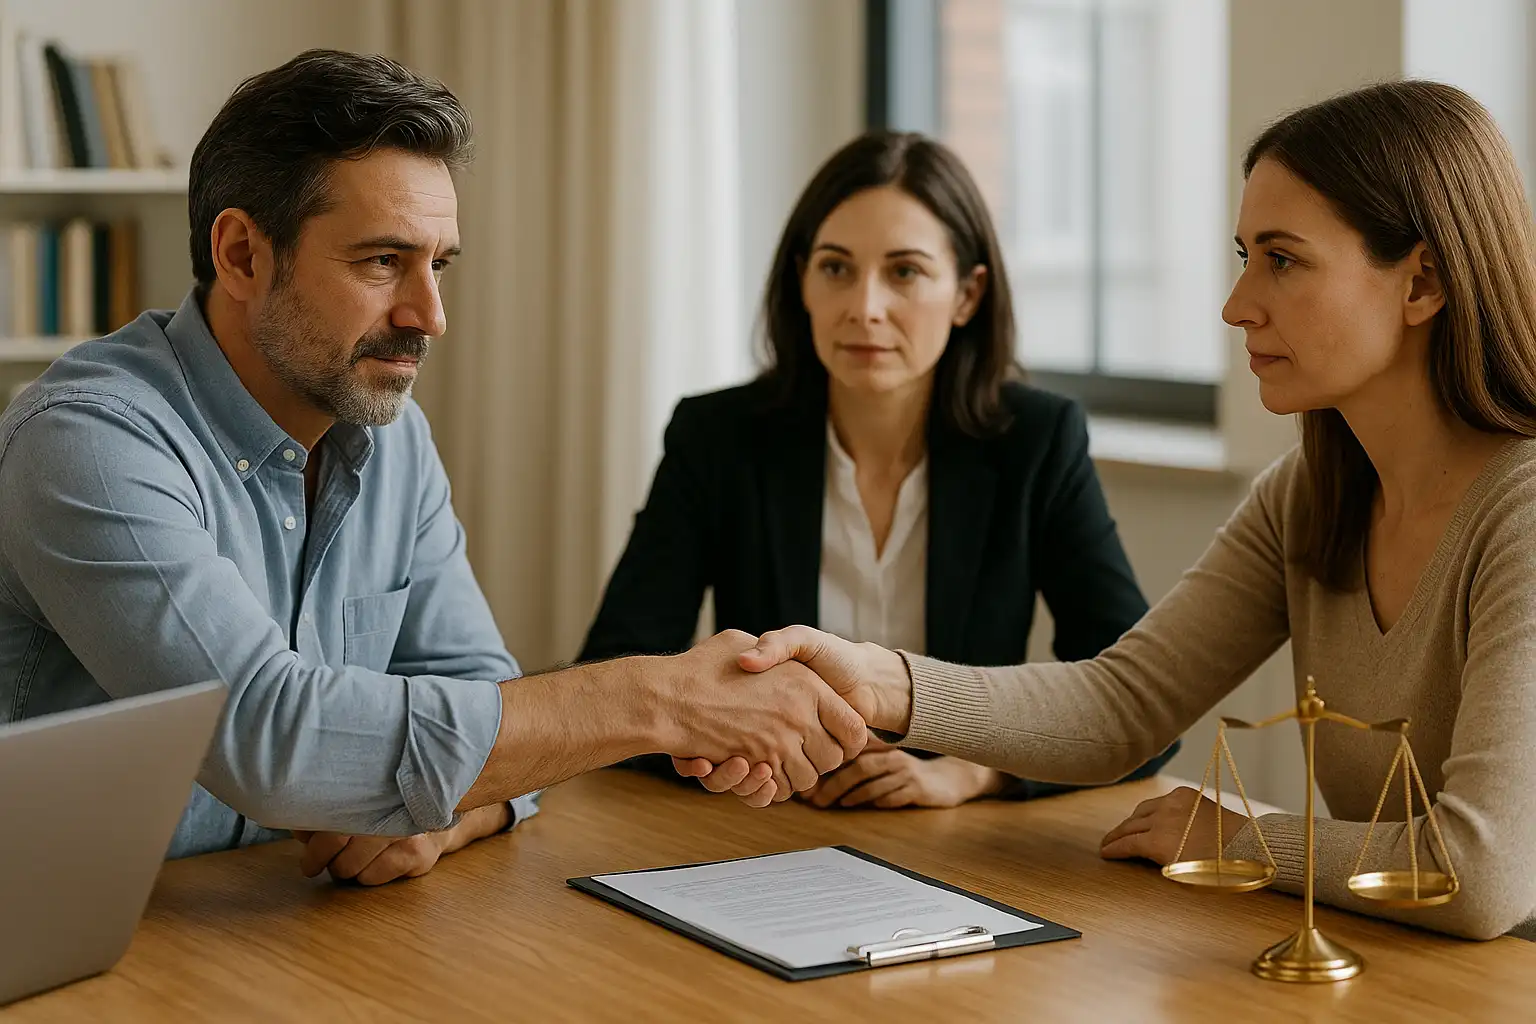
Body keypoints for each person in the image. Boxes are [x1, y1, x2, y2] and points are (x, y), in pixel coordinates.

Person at [682, 81, 1536, 941]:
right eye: (1244, 256)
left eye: (1281, 259)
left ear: (1421, 283)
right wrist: (879, 681)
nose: (1238, 304)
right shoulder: (1308, 495)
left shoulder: (1525, 512)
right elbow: (1121, 705)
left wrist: (1243, 839)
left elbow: (1481, 875)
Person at [0, 50, 866, 886]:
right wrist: (656, 698)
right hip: (63, 944)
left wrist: (450, 811)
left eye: (438, 265)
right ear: (241, 255)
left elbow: (490, 700)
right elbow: (269, 735)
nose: (430, 315)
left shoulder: (392, 434)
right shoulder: (88, 442)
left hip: (273, 926)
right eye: (382, 261)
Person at [582, 130, 1176, 809]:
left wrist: (973, 772)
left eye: (904, 272)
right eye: (836, 268)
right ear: (802, 281)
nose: (865, 306)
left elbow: (1139, 714)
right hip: (763, 822)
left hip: (965, 838)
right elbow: (617, 671)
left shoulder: (1038, 441)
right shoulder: (718, 436)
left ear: (967, 295)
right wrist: (742, 745)